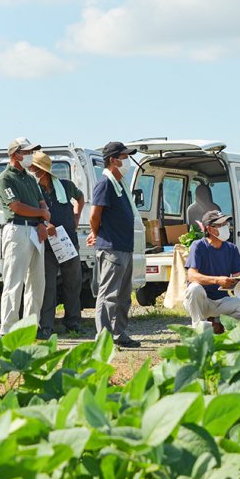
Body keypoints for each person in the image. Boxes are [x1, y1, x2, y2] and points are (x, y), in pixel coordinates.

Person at [87, 141, 140, 348]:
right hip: (111, 247)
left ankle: (119, 333)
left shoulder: (120, 184)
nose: (127, 161)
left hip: (124, 246)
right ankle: (103, 338)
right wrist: (95, 232)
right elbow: (95, 214)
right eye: (124, 157)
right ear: (113, 160)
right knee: (108, 293)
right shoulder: (105, 183)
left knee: (123, 295)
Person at [0, 137, 49, 335]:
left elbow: (42, 203)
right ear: (14, 154)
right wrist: (41, 214)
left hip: (35, 231)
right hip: (17, 230)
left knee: (37, 283)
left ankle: (29, 328)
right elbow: (16, 206)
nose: (29, 156)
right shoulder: (5, 178)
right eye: (25, 152)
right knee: (14, 282)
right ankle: (8, 330)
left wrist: (42, 222)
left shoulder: (30, 178)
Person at [29, 151, 85, 338]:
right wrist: (45, 224)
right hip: (46, 245)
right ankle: (46, 326)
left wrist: (77, 216)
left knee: (73, 283)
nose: (32, 171)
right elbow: (34, 213)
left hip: (68, 241)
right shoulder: (33, 189)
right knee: (47, 286)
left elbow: (80, 197)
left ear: (41, 171)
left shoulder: (66, 186)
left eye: (35, 169)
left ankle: (73, 322)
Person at [185, 210, 240, 332]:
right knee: (194, 288)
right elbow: (192, 276)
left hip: (221, 301)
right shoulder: (198, 246)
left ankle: (230, 329)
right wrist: (217, 280)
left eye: (226, 223)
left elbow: (238, 277)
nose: (226, 227)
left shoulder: (231, 248)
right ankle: (198, 326)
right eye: (221, 225)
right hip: (202, 301)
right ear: (209, 229)